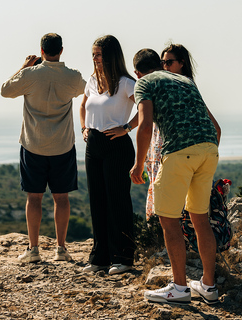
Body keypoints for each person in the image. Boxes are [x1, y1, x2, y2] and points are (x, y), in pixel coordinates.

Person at [130, 48, 221, 304]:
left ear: (137, 72)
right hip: (209, 149)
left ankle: (180, 288)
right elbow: (216, 128)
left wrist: (137, 166)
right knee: (200, 219)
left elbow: (145, 124)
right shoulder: (185, 81)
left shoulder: (145, 83)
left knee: (169, 221)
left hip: (180, 152)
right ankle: (208, 286)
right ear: (160, 64)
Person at [1, 33, 86, 263]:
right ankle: (60, 249)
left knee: (34, 198)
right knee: (62, 198)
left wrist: (23, 66)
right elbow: (87, 91)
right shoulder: (73, 77)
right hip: (63, 146)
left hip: (33, 145)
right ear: (61, 50)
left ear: (41, 51)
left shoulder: (30, 75)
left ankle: (34, 249)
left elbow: (5, 90)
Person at [79, 35, 137, 275]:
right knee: (97, 201)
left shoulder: (126, 83)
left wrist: (127, 127)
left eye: (99, 54)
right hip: (93, 144)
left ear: (111, 56)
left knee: (117, 202)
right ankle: (100, 258)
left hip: (117, 145)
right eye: (93, 54)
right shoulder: (93, 80)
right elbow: (83, 105)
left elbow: (147, 110)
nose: (95, 59)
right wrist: (83, 127)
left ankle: (123, 257)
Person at [145, 44, 221, 220]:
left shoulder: (186, 88)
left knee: (172, 214)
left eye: (169, 62)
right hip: (166, 154)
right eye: (162, 62)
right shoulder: (167, 87)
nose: (165, 66)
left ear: (182, 63)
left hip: (176, 154)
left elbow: (215, 126)